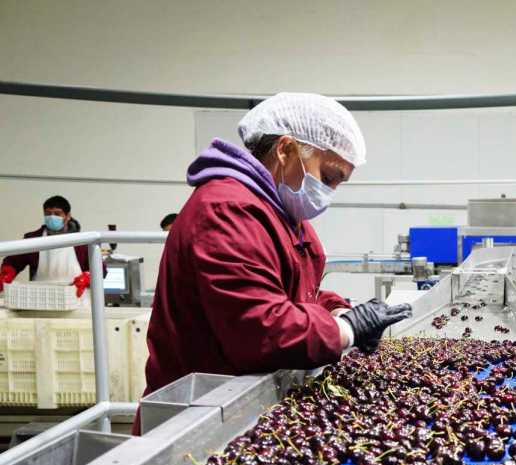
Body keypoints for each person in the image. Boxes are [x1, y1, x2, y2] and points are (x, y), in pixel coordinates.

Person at [143, 92, 412, 404]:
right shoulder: (226, 211)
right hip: (200, 410)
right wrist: (345, 330)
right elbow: (260, 330)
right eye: (327, 177)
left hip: (244, 400)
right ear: (285, 150)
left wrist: (337, 310)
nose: (330, 191)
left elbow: (293, 294)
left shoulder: (284, 216)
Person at [0, 195, 94, 297]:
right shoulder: (33, 239)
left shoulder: (82, 241)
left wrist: (87, 277)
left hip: (75, 297)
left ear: (68, 216)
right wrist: (7, 272)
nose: (52, 217)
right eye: (48, 214)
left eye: (57, 214)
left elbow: (100, 268)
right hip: (41, 297)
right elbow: (14, 261)